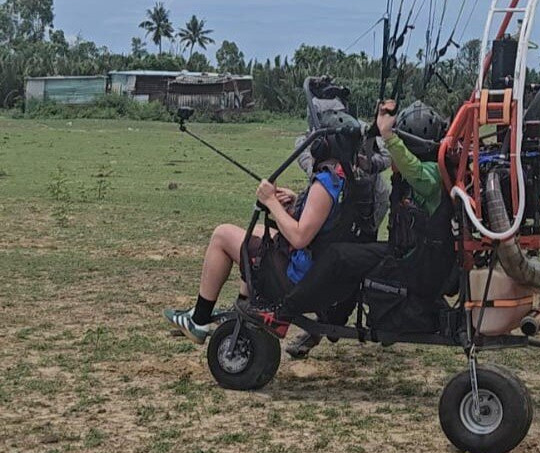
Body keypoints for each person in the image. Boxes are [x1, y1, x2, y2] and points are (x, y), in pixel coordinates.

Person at [239, 98, 455, 338]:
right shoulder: (428, 168)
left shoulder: (432, 173)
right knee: (353, 253)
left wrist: (390, 137)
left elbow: (414, 170)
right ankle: (334, 318)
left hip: (419, 261)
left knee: (339, 256)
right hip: (410, 254)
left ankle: (284, 312)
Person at [164, 110, 362, 344]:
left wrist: (270, 202)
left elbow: (299, 237)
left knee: (222, 235)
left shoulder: (326, 182)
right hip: (322, 268)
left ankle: (198, 319)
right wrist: (296, 201)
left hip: (301, 277)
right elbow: (323, 221)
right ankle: (245, 308)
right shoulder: (349, 176)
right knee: (257, 235)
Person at [284, 124, 392, 358]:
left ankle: (332, 321)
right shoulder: (327, 166)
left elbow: (385, 156)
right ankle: (329, 322)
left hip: (364, 215)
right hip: (340, 210)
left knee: (349, 264)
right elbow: (305, 152)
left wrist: (364, 161)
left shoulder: (361, 134)